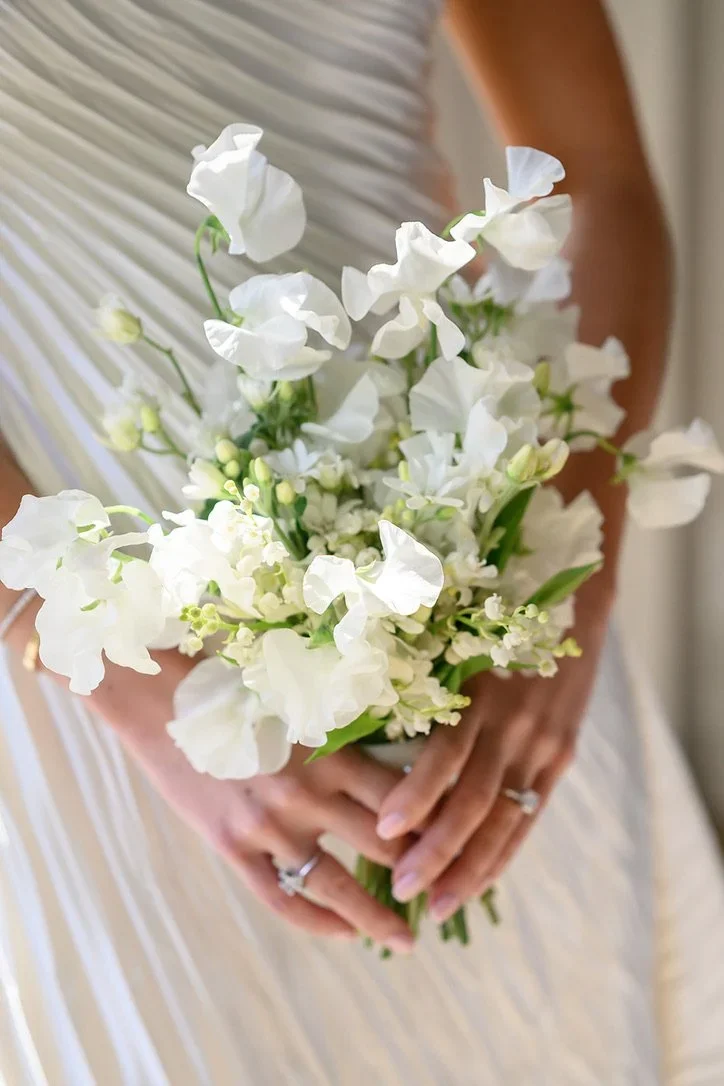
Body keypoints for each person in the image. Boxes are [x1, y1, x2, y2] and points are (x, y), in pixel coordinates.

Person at [1, 0, 723, 1081]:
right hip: (101, 696)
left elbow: (599, 180)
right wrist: (147, 694)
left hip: (490, 646)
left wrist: (563, 594)